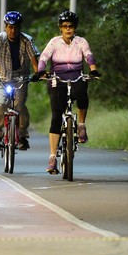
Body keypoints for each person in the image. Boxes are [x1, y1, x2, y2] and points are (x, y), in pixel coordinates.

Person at [32, 10, 99, 174]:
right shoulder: (54, 42)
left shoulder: (81, 42)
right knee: (56, 116)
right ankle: (53, 157)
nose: (68, 29)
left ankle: (81, 125)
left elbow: (88, 56)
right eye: (65, 26)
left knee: (82, 93)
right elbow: (44, 58)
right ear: (60, 28)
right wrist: (41, 71)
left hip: (76, 77)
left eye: (71, 26)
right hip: (57, 80)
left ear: (75, 28)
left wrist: (93, 69)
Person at [0, 11, 39, 151]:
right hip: (0, 79)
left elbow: (34, 60)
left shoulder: (26, 40)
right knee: (0, 104)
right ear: (5, 26)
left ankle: (23, 136)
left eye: (16, 27)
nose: (13, 30)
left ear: (20, 27)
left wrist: (38, 73)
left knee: (20, 107)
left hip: (20, 79)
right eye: (10, 27)